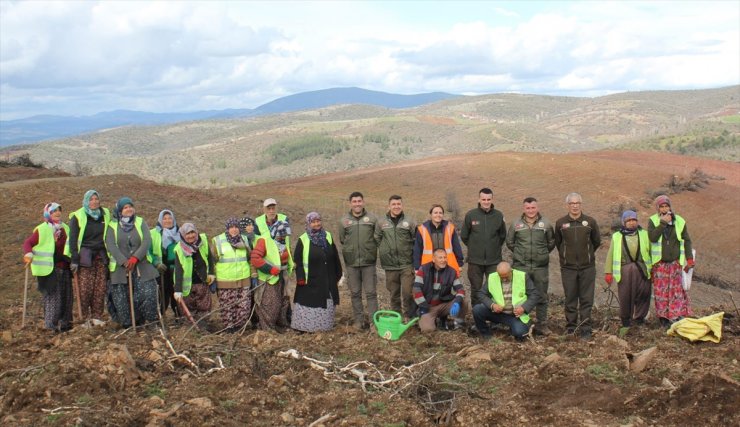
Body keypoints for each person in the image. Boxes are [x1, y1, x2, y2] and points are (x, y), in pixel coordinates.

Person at [105, 197, 160, 328]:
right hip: (120, 267)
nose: (129, 209)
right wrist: (124, 261)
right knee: (121, 298)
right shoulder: (112, 226)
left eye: (130, 206)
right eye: (125, 207)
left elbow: (147, 240)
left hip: (141, 264)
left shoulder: (140, 222)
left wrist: (135, 258)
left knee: (147, 293)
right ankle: (128, 324)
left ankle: (150, 321)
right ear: (119, 210)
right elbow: (111, 245)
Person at [505, 197, 555, 335]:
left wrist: (542, 254)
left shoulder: (546, 223)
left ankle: (542, 324)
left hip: (540, 267)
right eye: (528, 208)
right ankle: (520, 322)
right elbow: (510, 242)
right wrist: (520, 254)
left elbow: (551, 242)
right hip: (521, 266)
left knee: (541, 295)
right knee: (520, 295)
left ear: (537, 208)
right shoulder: (516, 224)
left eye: (533, 208)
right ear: (523, 209)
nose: (531, 210)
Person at [554, 193, 601, 339]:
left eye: (577, 203)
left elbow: (596, 242)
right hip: (568, 268)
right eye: (572, 203)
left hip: (587, 267)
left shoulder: (590, 222)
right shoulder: (561, 223)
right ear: (567, 205)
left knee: (587, 299)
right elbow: (558, 243)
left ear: (581, 204)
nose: (575, 206)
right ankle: (571, 328)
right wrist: (566, 257)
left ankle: (585, 328)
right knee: (570, 298)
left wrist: (587, 255)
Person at [23, 203, 73, 332]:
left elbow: (71, 246)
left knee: (66, 298)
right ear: (47, 214)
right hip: (49, 269)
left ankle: (66, 325)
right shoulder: (42, 229)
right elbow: (28, 243)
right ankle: (51, 327)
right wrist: (28, 254)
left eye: (58, 210)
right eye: (53, 211)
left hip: (65, 268)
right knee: (53, 298)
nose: (57, 213)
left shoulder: (65, 228)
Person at [292, 212, 343, 332]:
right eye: (313, 222)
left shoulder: (328, 236)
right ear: (309, 224)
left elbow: (335, 255)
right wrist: (300, 277)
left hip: (328, 278)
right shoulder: (303, 239)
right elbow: (297, 260)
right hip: (309, 280)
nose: (317, 224)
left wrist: (338, 274)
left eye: (318, 221)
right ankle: (304, 328)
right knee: (310, 303)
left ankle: (323, 328)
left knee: (327, 302)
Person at [648, 195, 694, 328]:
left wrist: (689, 258)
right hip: (660, 264)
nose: (664, 208)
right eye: (661, 206)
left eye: (666, 206)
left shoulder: (679, 221)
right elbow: (653, 238)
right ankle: (663, 318)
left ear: (670, 207)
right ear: (658, 208)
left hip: (675, 263)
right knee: (661, 292)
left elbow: (687, 240)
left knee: (676, 291)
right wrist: (662, 223)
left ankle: (677, 315)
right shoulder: (653, 221)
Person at [68, 190, 110, 325]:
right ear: (86, 201)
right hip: (85, 256)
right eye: (91, 199)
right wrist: (74, 259)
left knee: (100, 287)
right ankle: (84, 317)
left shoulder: (105, 214)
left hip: (101, 256)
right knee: (85, 288)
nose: (94, 202)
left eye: (96, 199)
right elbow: (73, 239)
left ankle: (97, 316)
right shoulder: (78, 216)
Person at [604, 210, 653, 328]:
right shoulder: (617, 236)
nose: (632, 223)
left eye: (634, 220)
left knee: (644, 293)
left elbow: (651, 251)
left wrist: (654, 269)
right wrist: (608, 272)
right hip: (625, 270)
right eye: (629, 221)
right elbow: (610, 254)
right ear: (624, 223)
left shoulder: (644, 234)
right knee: (626, 296)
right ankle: (626, 321)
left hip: (642, 269)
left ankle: (640, 319)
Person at [339, 191, 379, 330]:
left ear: (363, 202)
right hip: (352, 263)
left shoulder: (373, 219)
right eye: (354, 201)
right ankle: (359, 321)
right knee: (355, 293)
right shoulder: (343, 221)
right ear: (350, 203)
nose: (357, 204)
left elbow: (377, 238)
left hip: (368, 262)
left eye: (359, 201)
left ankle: (374, 323)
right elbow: (343, 239)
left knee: (371, 293)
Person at [252, 198, 294, 331]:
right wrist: (270, 269)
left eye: (273, 207)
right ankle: (267, 328)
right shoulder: (264, 237)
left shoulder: (283, 223)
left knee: (283, 301)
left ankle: (281, 325)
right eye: (268, 208)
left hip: (283, 272)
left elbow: (287, 247)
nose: (271, 210)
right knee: (269, 303)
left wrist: (291, 264)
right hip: (268, 276)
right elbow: (255, 257)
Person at [461, 188, 507, 308]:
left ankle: (493, 318)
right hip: (475, 261)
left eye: (488, 199)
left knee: (493, 290)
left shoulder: (498, 215)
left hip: (494, 261)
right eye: (483, 199)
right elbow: (464, 236)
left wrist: (493, 247)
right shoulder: (471, 215)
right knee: (476, 290)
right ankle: (477, 320)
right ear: (479, 199)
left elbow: (502, 236)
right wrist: (475, 247)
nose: (486, 202)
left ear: (492, 199)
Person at [473, 261, 540, 341]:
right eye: (501, 277)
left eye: (506, 276)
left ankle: (513, 328)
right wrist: (492, 305)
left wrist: (523, 308)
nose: (504, 279)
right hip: (497, 313)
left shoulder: (522, 276)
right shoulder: (492, 277)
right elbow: (481, 294)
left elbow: (534, 294)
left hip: (516, 316)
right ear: (497, 273)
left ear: (511, 271)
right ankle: (486, 335)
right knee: (477, 309)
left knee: (520, 333)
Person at [375, 195, 417, 318]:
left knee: (408, 292)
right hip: (390, 265)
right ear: (389, 206)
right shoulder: (381, 222)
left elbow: (416, 240)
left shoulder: (409, 221)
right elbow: (377, 239)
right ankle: (396, 317)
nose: (396, 206)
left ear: (402, 205)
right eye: (394, 204)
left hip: (406, 264)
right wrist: (385, 250)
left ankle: (409, 316)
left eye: (399, 204)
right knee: (394, 293)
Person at [211, 217, 253, 332]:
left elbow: (249, 258)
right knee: (227, 307)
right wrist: (212, 278)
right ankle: (229, 329)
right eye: (231, 227)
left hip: (243, 279)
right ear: (227, 228)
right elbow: (212, 261)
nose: (234, 230)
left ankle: (239, 328)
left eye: (236, 227)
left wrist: (252, 274)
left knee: (243, 306)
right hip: (225, 281)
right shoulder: (217, 241)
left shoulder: (244, 239)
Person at [413, 249, 466, 333]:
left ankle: (458, 324)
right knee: (428, 329)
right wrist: (423, 305)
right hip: (428, 306)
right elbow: (416, 289)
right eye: (440, 258)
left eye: (445, 257)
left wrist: (457, 302)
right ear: (433, 259)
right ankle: (430, 320)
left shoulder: (451, 272)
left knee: (463, 301)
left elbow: (460, 289)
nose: (443, 260)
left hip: (443, 304)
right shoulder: (423, 269)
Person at [173, 223, 215, 319]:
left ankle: (203, 326)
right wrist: (178, 290)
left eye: (193, 232)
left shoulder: (202, 241)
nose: (191, 236)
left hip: (202, 282)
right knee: (189, 308)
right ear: (183, 235)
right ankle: (192, 328)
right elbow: (178, 270)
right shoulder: (179, 249)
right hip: (187, 286)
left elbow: (210, 258)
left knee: (204, 307)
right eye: (188, 234)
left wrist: (211, 273)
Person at [413, 204, 464, 274]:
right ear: (431, 214)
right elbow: (417, 249)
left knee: (448, 284)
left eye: (440, 213)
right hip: (428, 265)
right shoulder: (422, 229)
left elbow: (456, 246)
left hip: (447, 264)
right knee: (429, 284)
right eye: (435, 213)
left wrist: (459, 263)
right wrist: (417, 267)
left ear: (443, 215)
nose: (438, 215)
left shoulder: (450, 227)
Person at [149, 209, 180, 317]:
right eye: (164, 218)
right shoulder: (154, 233)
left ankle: (179, 317)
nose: (167, 221)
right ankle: (160, 316)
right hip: (161, 270)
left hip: (177, 269)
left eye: (170, 218)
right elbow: (148, 251)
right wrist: (156, 263)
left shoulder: (180, 233)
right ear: (160, 220)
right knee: (162, 295)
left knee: (177, 294)